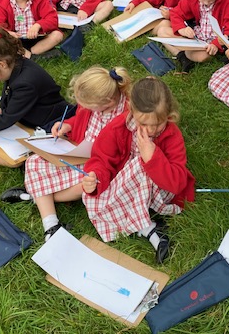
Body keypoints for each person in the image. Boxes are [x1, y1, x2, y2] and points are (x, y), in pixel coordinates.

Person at [3, 66, 131, 242]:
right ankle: (51, 225)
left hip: (102, 165)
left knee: (84, 186)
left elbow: (120, 154)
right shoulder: (95, 102)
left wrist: (94, 165)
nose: (86, 108)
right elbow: (80, 118)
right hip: (77, 151)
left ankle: (36, 196)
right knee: (33, 162)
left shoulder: (125, 118)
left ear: (108, 102)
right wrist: (68, 125)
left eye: (89, 106)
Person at [81, 77, 195, 264]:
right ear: (131, 111)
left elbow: (177, 183)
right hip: (125, 185)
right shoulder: (118, 127)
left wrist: (152, 157)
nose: (150, 130)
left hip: (160, 188)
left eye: (157, 124)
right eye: (143, 123)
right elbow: (101, 159)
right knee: (93, 198)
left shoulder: (172, 135)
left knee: (141, 165)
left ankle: (144, 227)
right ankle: (150, 229)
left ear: (168, 115)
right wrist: (95, 176)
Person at [0, 28, 74, 166]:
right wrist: (2, 109)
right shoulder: (17, 65)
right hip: (33, 116)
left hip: (51, 122)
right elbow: (13, 96)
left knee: (16, 159)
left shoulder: (25, 83)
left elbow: (7, 119)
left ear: (1, 65)